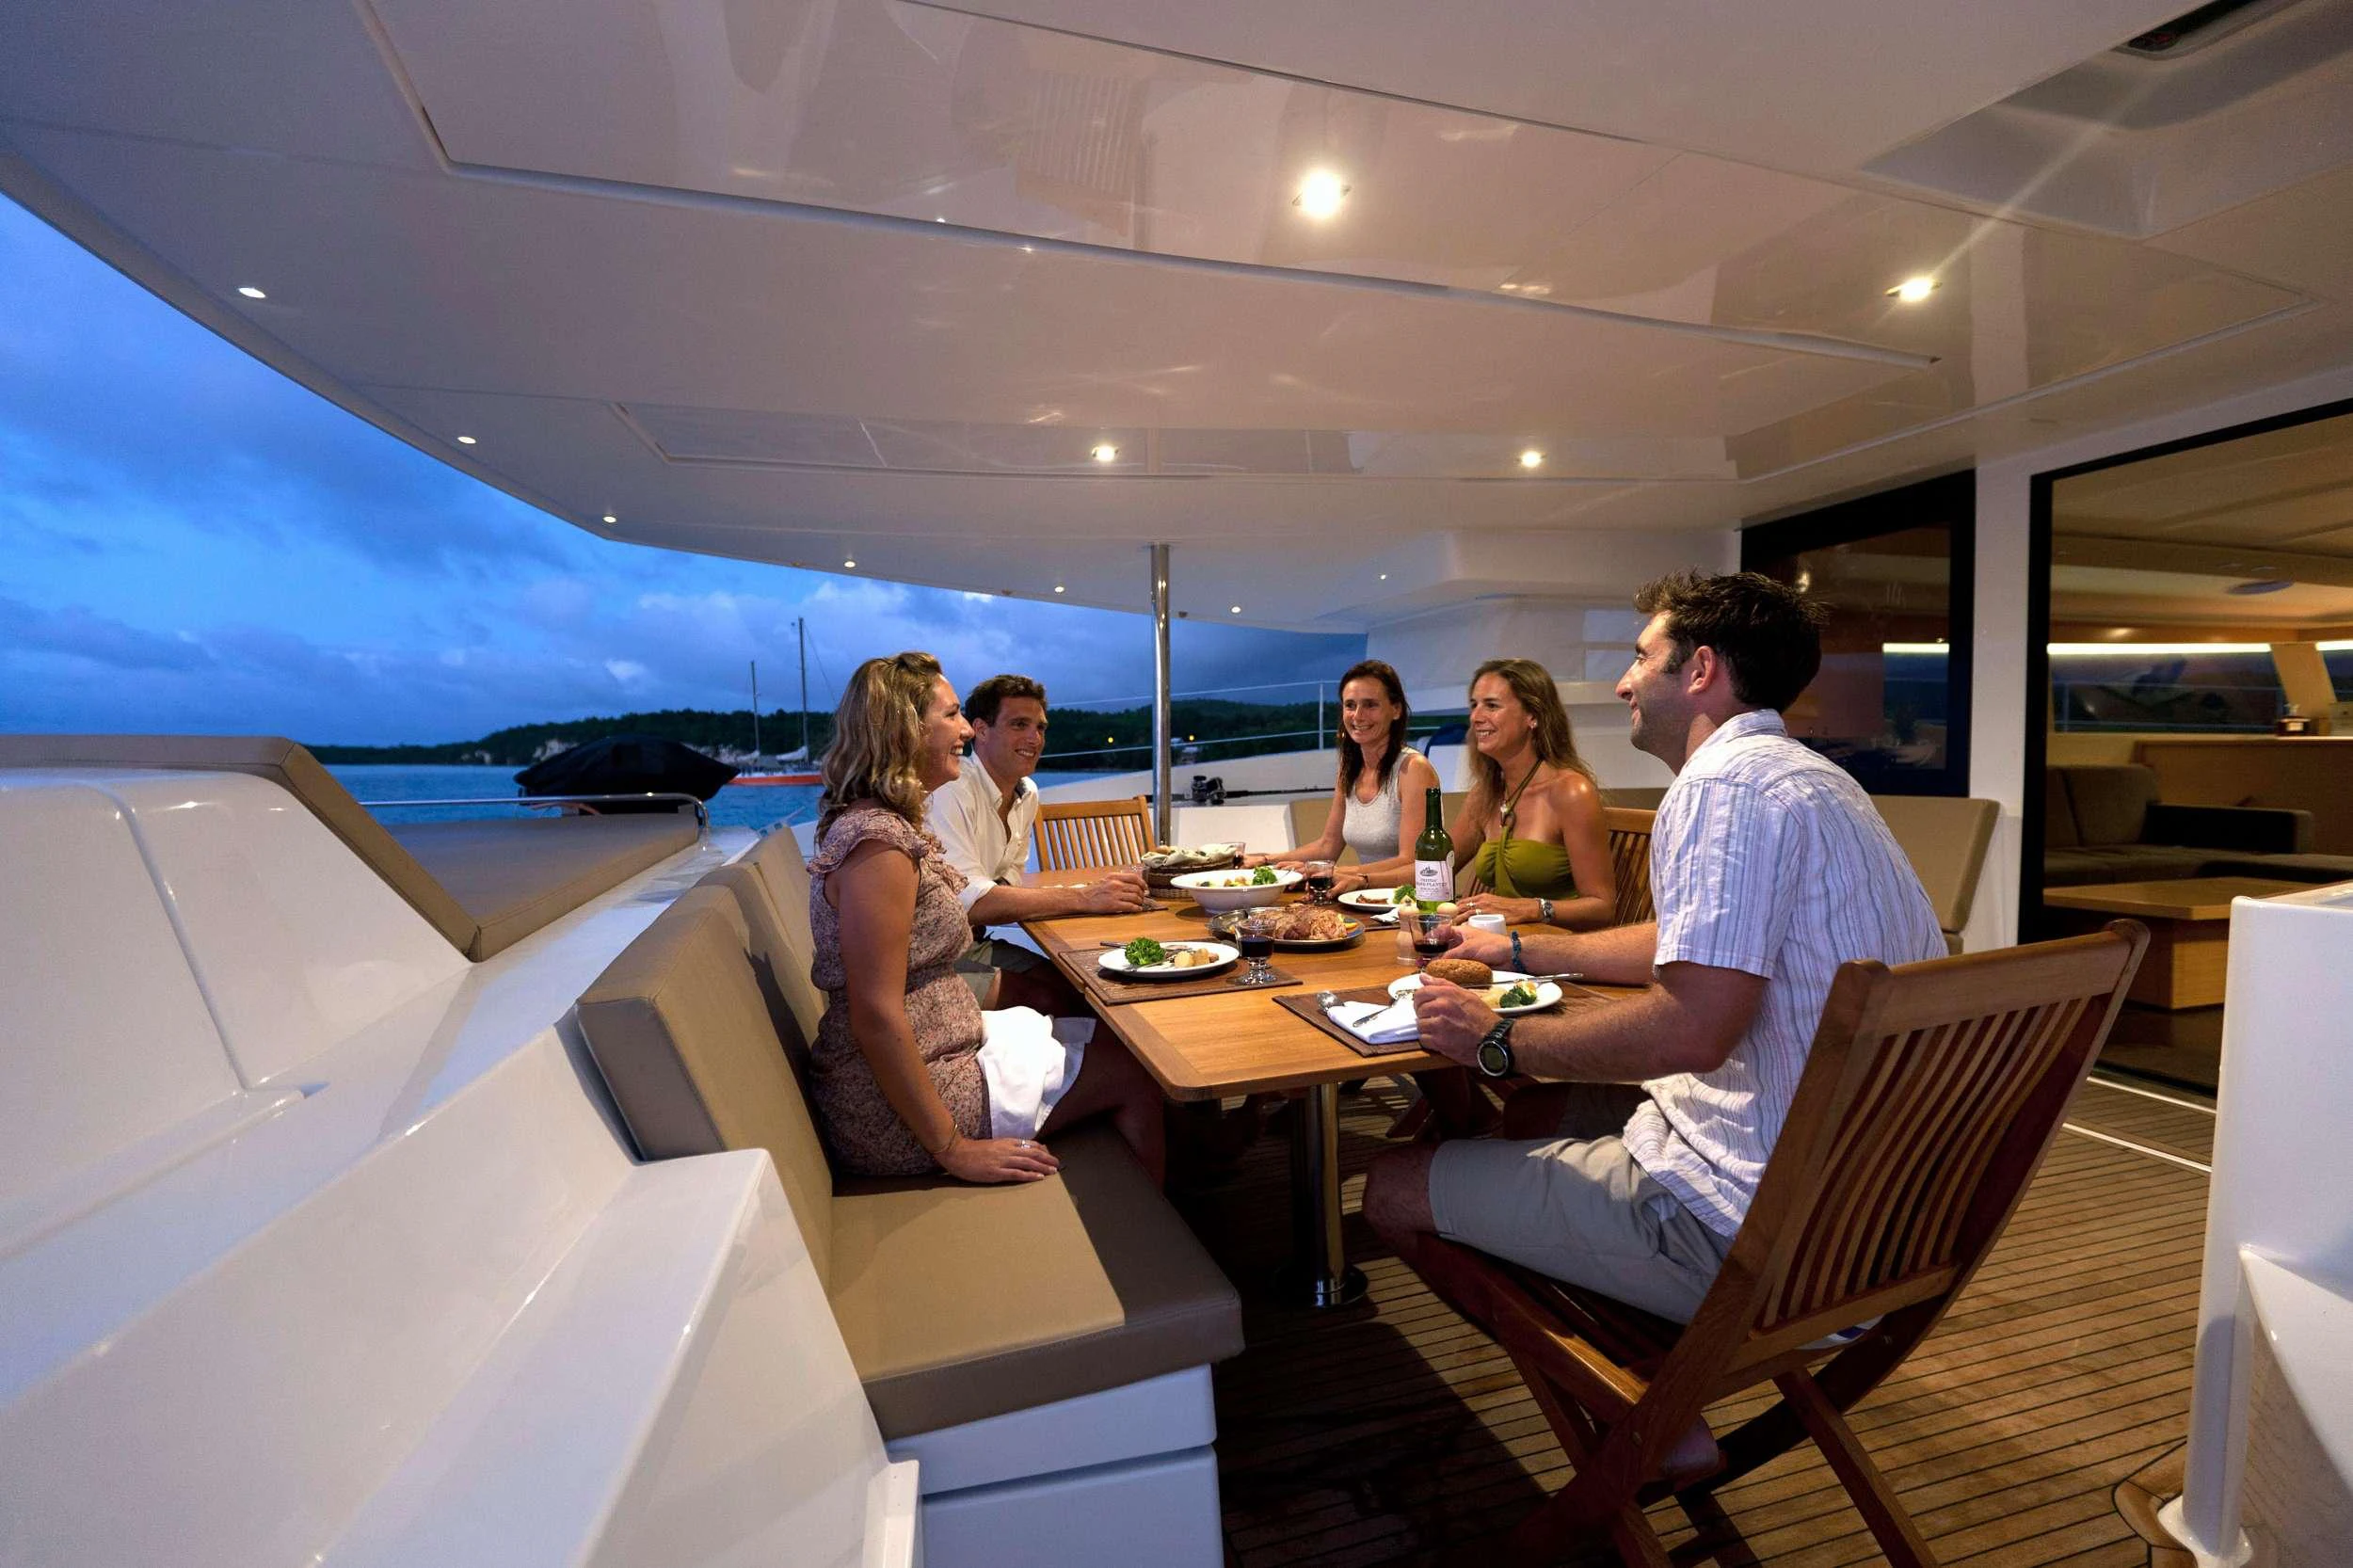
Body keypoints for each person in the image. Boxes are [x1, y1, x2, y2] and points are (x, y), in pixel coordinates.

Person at [1363, 571, 1945, 1341]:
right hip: (1877, 1204)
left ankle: (1640, 1401)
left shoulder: (1722, 790)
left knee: (1391, 1185)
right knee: (1541, 1109)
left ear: (1699, 670)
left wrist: (1494, 1038)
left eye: (1642, 657)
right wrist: (1520, 949)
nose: (1623, 680)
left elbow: (1693, 1031)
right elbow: (1692, 940)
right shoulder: (1816, 781)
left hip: (1755, 1225)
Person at [806, 651, 1166, 1185]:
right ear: (904, 729)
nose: (964, 732)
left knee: (1115, 1035)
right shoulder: (877, 847)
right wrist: (953, 1148)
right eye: (950, 716)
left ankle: (1189, 1173)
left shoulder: (886, 828)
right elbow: (876, 1015)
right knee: (1135, 1068)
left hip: (945, 1047)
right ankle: (1164, 1246)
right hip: (896, 1107)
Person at [928, 673, 1152, 1014]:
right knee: (1055, 998)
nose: (1034, 738)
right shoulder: (952, 790)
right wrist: (1083, 897)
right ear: (980, 730)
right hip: (933, 958)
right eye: (1019, 724)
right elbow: (968, 903)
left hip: (973, 942)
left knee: (1081, 986)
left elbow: (1007, 885)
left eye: (1041, 728)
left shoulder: (1027, 792)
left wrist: (1081, 897)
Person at [1441, 658, 1615, 931]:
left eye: (1492, 705)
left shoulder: (1571, 791)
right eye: (1474, 705)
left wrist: (1532, 908)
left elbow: (1601, 907)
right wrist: (1361, 878)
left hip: (1557, 951)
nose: (1476, 717)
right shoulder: (1485, 794)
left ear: (1532, 716)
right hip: (1497, 947)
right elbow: (1437, 868)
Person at [1255, 660, 1445, 890]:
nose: (1358, 716)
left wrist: (1335, 872)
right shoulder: (1350, 768)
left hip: (1406, 904)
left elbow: (1411, 862)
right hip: (1362, 897)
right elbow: (1328, 846)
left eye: (1370, 705)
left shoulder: (1414, 769)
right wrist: (1266, 862)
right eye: (1350, 705)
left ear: (1396, 710)